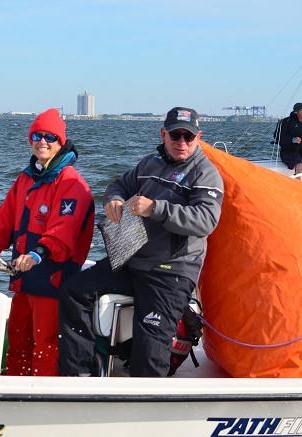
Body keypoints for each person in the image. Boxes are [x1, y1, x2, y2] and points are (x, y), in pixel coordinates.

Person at [58, 107, 223, 377]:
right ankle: (79, 378)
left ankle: (147, 406)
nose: (182, 142)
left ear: (198, 137)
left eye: (189, 137)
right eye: (175, 135)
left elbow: (205, 220)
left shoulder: (205, 174)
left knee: (149, 356)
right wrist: (114, 199)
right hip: (131, 259)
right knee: (74, 292)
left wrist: (155, 209)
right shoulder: (149, 164)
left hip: (170, 272)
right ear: (163, 134)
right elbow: (119, 184)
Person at [0, 108, 94, 376]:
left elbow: (65, 231)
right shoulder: (26, 180)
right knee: (17, 339)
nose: (43, 142)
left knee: (44, 346)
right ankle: (14, 389)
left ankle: (41, 398)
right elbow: (0, 224)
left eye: (50, 137)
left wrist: (39, 253)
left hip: (52, 280)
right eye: (37, 136)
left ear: (61, 142)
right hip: (24, 280)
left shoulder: (71, 183)